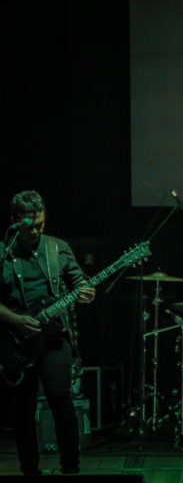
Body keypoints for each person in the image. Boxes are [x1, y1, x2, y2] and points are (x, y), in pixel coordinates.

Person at [0, 190, 95, 476]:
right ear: (15, 221)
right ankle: (30, 471)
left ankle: (71, 469)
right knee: (22, 413)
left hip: (53, 337)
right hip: (16, 342)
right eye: (28, 225)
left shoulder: (58, 248)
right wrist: (16, 320)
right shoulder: (2, 254)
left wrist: (86, 291)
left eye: (40, 224)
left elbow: (79, 281)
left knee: (61, 400)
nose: (35, 231)